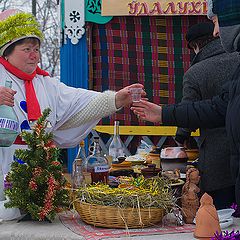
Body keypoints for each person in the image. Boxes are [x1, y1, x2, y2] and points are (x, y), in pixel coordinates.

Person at [0, 9, 144, 176]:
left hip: (39, 169)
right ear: (6, 52)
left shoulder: (46, 85)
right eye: (27, 49)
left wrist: (116, 99)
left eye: (37, 49)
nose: (34, 56)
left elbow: (79, 102)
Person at [131, 0, 240, 211]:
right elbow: (219, 107)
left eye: (218, 22)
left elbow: (206, 110)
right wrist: (163, 113)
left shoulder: (196, 73)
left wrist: (178, 139)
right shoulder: (237, 63)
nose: (217, 31)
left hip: (217, 164)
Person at [175, 20, 238, 210]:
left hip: (217, 160)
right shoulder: (238, 58)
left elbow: (189, 112)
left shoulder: (195, 73)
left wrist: (181, 137)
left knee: (219, 215)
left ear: (195, 46)